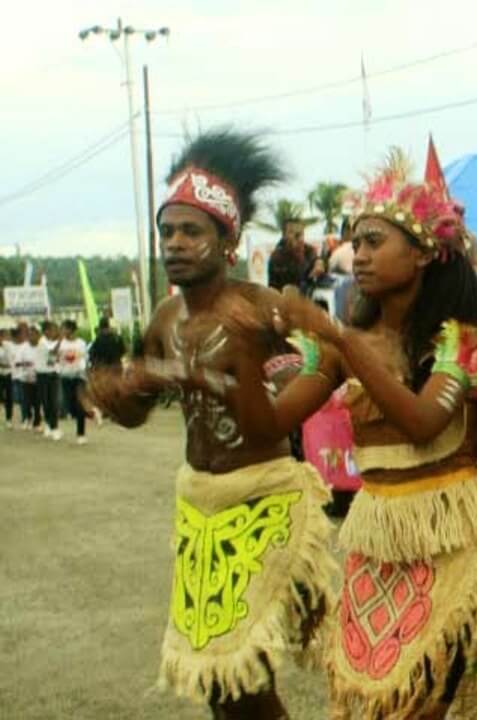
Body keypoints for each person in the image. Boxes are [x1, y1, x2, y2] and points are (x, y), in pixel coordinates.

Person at [239, 151, 477, 719]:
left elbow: (421, 423)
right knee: (368, 706)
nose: (357, 255)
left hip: (449, 549)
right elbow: (270, 423)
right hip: (378, 548)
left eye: (373, 242)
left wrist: (342, 341)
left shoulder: (459, 340)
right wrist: (237, 356)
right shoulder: (351, 340)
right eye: (354, 242)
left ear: (420, 255)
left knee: (419, 707)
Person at [86, 128, 336, 719]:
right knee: (218, 683)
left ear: (229, 241)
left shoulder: (264, 309)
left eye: (191, 231)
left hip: (263, 503)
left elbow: (319, 368)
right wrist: (115, 394)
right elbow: (136, 412)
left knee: (244, 677)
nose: (174, 243)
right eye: (167, 231)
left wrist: (213, 379)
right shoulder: (167, 317)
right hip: (201, 509)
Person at [267, 208, 320, 293]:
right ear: (284, 235)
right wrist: (299, 256)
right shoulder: (277, 258)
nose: (299, 238)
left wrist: (319, 262)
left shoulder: (308, 249)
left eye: (301, 234)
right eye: (294, 234)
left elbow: (316, 258)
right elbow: (297, 278)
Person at [57, 320, 89, 444]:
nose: (63, 331)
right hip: (65, 377)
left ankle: (81, 434)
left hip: (79, 377)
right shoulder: (60, 344)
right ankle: (80, 414)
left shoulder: (81, 343)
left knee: (79, 404)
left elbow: (85, 358)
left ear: (71, 330)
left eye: (64, 328)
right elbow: (53, 357)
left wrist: (83, 370)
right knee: (69, 405)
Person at [34, 320, 60, 438]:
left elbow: (53, 358)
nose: (55, 332)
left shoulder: (49, 342)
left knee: (53, 402)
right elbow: (52, 355)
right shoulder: (42, 342)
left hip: (52, 375)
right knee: (47, 402)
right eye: (53, 330)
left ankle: (53, 426)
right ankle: (50, 426)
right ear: (46, 331)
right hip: (43, 376)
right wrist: (61, 341)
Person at [0, 327, 12, 428]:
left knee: (9, 397)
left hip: (9, 374)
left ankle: (9, 419)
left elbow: (12, 359)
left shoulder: (8, 346)